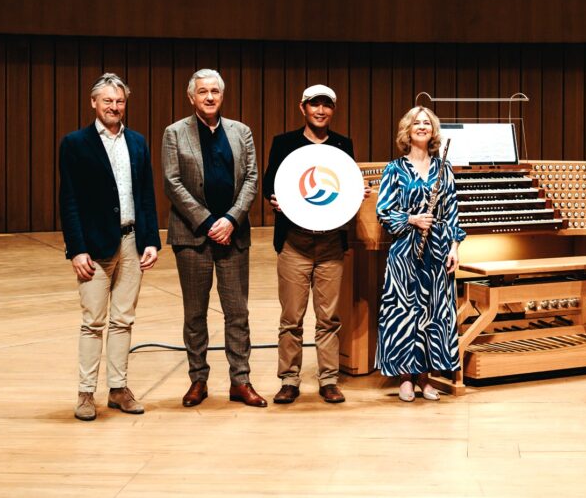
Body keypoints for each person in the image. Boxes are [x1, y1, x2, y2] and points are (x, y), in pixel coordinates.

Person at [58, 73, 160, 421]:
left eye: (119, 102)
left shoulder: (137, 142)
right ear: (93, 103)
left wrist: (151, 240)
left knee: (123, 320)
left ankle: (118, 389)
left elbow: (146, 194)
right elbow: (68, 201)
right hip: (94, 246)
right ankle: (86, 394)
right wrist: (77, 249)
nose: (114, 107)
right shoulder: (74, 143)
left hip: (132, 240)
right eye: (107, 101)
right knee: (93, 322)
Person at [162, 69, 265, 408]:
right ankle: (198, 380)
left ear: (222, 96)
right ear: (191, 97)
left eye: (215, 92)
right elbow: (172, 183)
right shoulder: (175, 133)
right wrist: (208, 222)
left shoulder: (241, 132)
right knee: (195, 314)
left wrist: (231, 219)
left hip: (233, 235)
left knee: (238, 312)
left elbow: (251, 178)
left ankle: (241, 380)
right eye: (202, 92)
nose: (209, 97)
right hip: (193, 237)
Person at [263, 84, 368, 404]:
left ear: (332, 110)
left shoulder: (342, 145)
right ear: (303, 108)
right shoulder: (284, 143)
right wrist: (274, 199)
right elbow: (270, 184)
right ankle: (289, 379)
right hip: (294, 244)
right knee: (291, 318)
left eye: (326, 105)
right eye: (314, 105)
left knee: (328, 319)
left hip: (330, 246)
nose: (320, 111)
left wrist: (355, 193)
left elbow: (345, 185)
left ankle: (328, 379)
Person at [376, 107, 464, 402]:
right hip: (404, 252)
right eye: (417, 123)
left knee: (433, 311)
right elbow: (384, 211)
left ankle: (426, 377)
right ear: (407, 130)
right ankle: (404, 378)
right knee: (404, 311)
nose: (423, 127)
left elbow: (451, 211)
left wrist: (454, 247)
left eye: (428, 123)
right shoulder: (394, 169)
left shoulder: (444, 168)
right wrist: (412, 219)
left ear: (434, 131)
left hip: (436, 250)